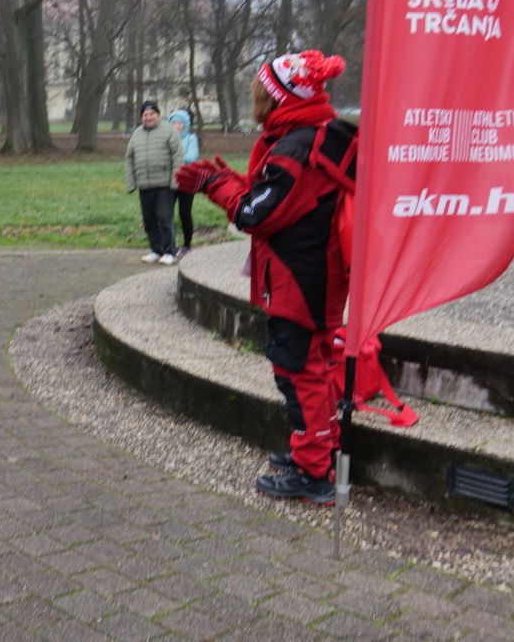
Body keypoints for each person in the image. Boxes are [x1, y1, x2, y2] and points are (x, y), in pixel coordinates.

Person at [175, 50, 355, 507]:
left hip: (301, 279)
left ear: (276, 97)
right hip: (316, 275)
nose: (254, 98)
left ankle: (314, 473)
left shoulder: (296, 148)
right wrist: (230, 179)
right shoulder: (316, 133)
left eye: (259, 91)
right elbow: (280, 198)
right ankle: (318, 452)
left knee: (298, 373)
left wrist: (216, 185)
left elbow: (256, 213)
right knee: (312, 368)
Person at [124, 100, 183, 265]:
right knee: (149, 220)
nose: (148, 117)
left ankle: (170, 251)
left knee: (164, 219)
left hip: (164, 184)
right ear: (141, 117)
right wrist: (131, 182)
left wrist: (175, 181)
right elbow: (129, 158)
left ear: (158, 115)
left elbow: (178, 157)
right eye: (145, 114)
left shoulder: (170, 131)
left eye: (152, 114)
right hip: (144, 184)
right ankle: (156, 250)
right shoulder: (137, 134)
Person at [167, 108, 200, 257]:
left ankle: (187, 244)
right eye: (173, 123)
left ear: (185, 125)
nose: (176, 126)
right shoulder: (166, 138)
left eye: (180, 123)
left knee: (184, 213)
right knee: (167, 214)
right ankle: (170, 244)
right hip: (169, 181)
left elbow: (191, 157)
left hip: (187, 181)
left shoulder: (191, 138)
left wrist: (172, 157)